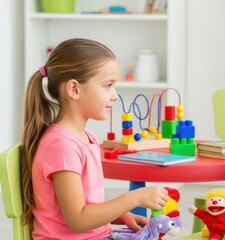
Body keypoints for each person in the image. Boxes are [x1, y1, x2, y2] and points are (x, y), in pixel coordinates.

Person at [20, 38, 169, 239]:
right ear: (74, 89)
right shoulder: (62, 146)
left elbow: (86, 206)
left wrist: (121, 215)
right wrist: (135, 198)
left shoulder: (85, 136)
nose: (115, 95)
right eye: (107, 86)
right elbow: (78, 219)